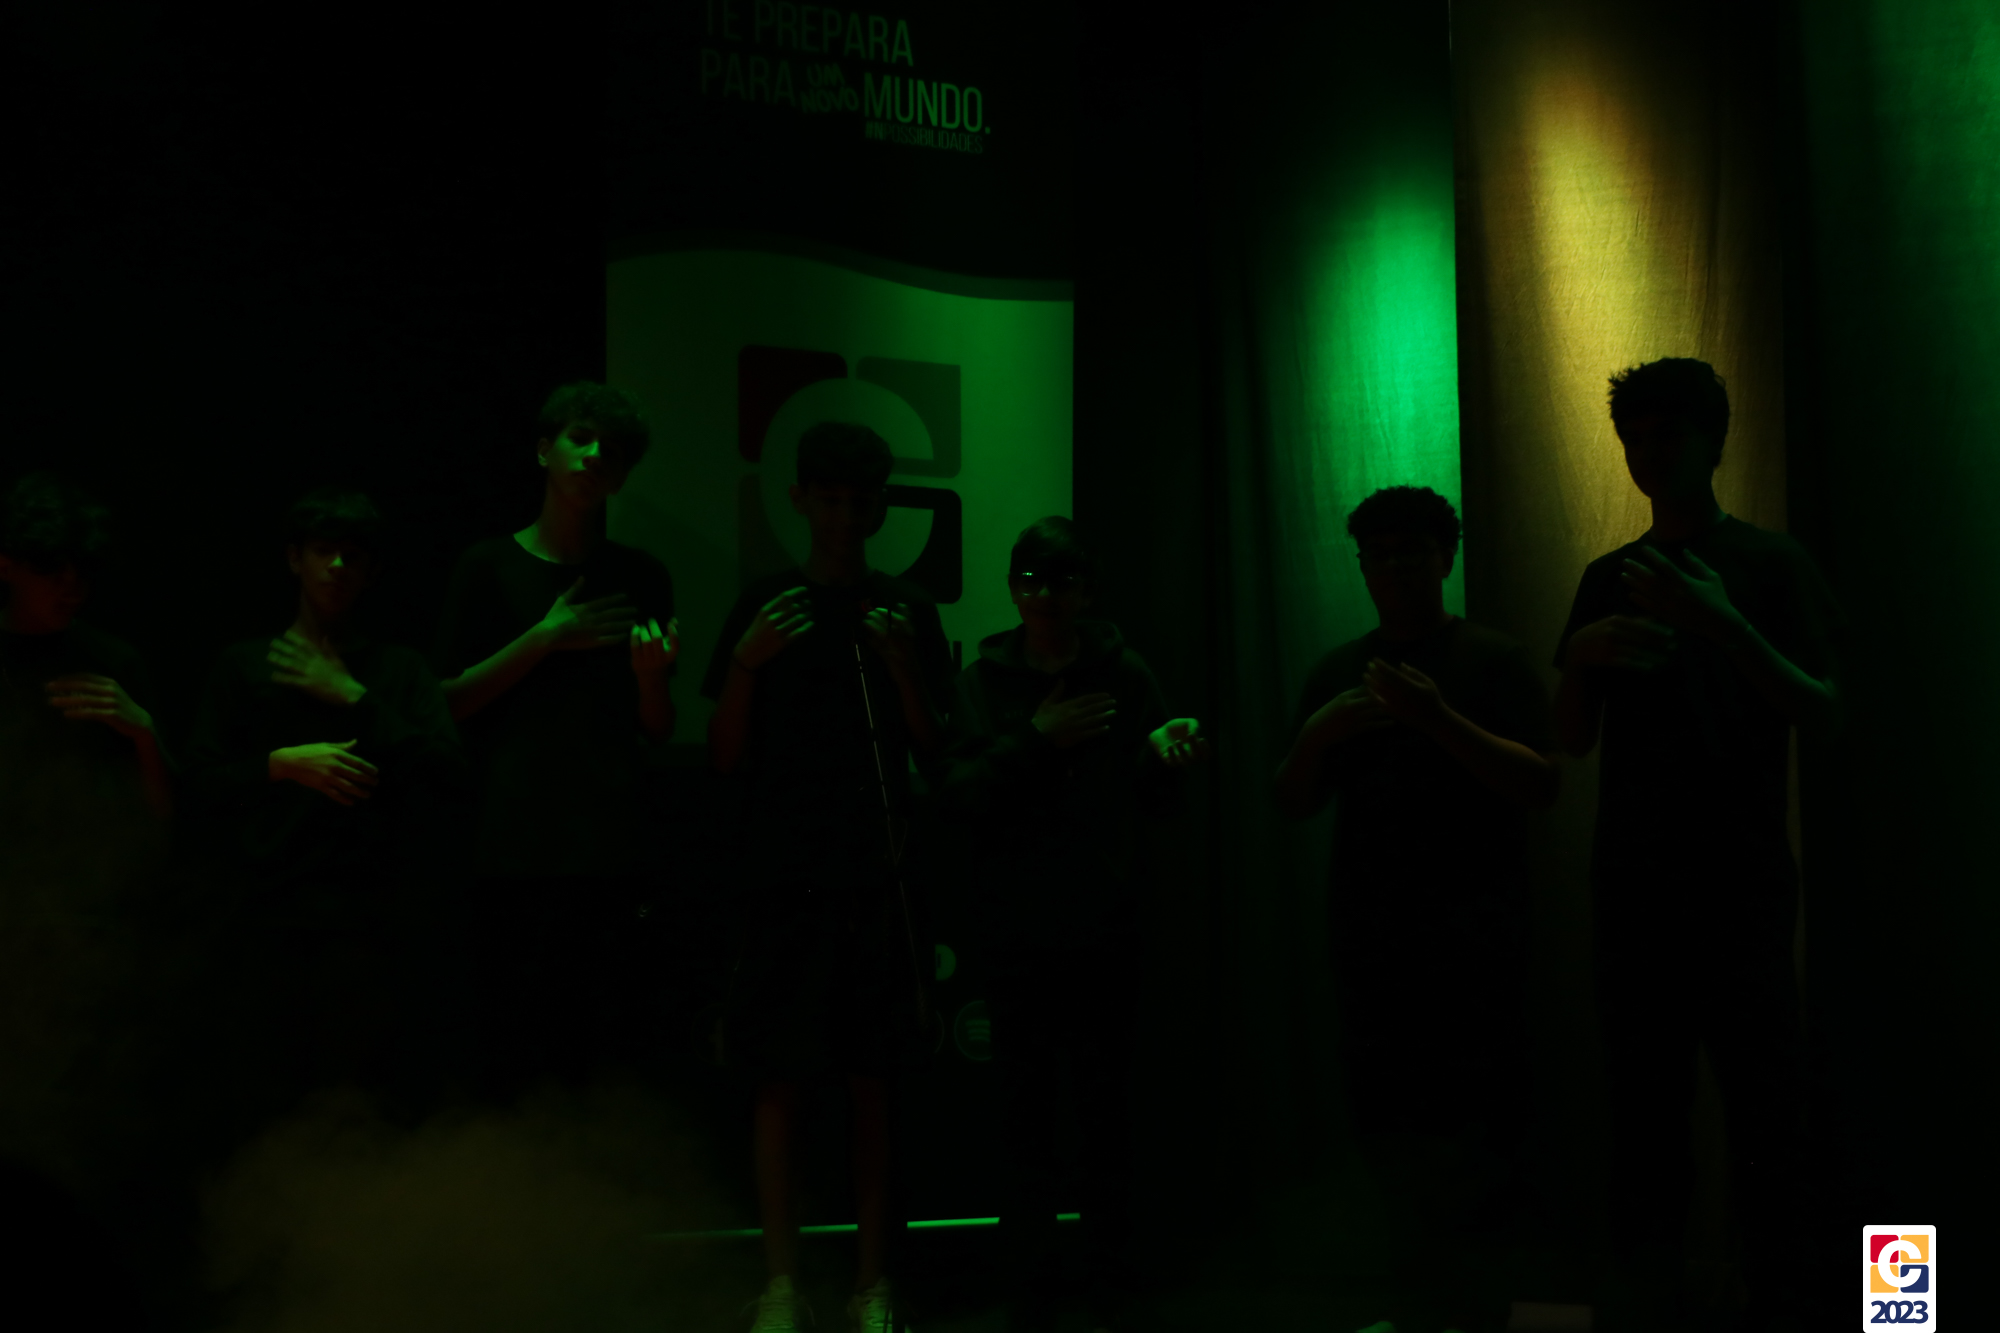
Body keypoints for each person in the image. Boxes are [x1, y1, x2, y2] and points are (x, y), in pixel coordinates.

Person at [1553, 359, 1837, 1333]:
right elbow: (1571, 737)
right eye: (1633, 436)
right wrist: (1580, 658)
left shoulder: (1767, 564)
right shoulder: (1608, 576)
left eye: (1667, 432)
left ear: (1715, 440)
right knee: (1644, 1117)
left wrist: (1719, 622)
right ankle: (1652, 1304)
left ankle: (1788, 1302)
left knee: (1768, 1112)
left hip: (1740, 881)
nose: (1647, 452)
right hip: (1633, 884)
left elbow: (1825, 711)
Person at [1273, 485, 1557, 1333]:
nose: (1395, 567)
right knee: (1388, 1133)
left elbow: (1541, 783)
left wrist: (1436, 719)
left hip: (1477, 942)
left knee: (1484, 1135)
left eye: (1412, 550)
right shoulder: (1339, 672)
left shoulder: (1493, 660)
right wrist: (1318, 734)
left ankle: (1483, 1312)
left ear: (1447, 557)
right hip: (1371, 942)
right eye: (1380, 554)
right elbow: (1290, 801)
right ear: (1362, 567)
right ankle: (1419, 1305)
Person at [704, 421, 954, 1333]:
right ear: (801, 500)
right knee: (780, 1082)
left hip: (878, 882)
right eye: (831, 499)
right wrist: (745, 660)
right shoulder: (767, 606)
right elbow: (722, 756)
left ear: (881, 507)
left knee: (873, 1082)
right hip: (783, 880)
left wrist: (904, 669)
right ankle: (781, 1284)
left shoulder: (907, 611)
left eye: (861, 501)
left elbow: (935, 751)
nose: (846, 516)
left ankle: (869, 1285)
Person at [942, 516, 1207, 1333]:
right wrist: (1036, 737)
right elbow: (958, 795)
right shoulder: (984, 678)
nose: (1043, 597)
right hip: (1014, 925)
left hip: (1103, 919)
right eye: (1029, 580)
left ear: (1085, 590)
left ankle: (1108, 1276)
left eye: (1058, 581)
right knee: (1021, 1111)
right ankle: (1030, 1281)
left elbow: (1155, 797)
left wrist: (1164, 754)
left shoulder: (1123, 672)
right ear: (1012, 587)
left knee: (1104, 1108)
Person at [182, 488, 464, 1120]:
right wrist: (279, 765)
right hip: (264, 922)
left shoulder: (398, 670)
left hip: (368, 926)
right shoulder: (245, 666)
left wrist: (351, 695)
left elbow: (447, 777)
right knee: (263, 1099)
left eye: (352, 555)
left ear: (372, 571)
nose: (337, 565)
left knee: (354, 1105)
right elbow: (196, 788)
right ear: (295, 559)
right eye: (323, 551)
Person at [433, 382, 678, 1096]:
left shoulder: (640, 576)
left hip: (608, 847)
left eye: (614, 450)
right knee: (510, 1044)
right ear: (545, 449)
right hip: (508, 844)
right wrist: (545, 637)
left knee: (597, 1050)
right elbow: (446, 702)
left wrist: (651, 680)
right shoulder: (487, 565)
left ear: (623, 476)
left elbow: (657, 728)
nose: (596, 455)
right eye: (581, 437)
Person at [0, 472, 172, 822]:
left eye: (82, 570)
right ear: (6, 566)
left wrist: (144, 731)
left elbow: (164, 813)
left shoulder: (112, 662)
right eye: (51, 568)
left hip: (92, 854)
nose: (72, 588)